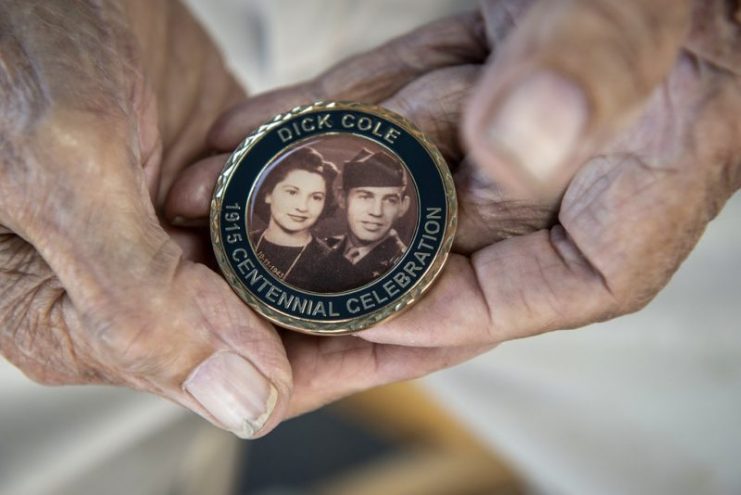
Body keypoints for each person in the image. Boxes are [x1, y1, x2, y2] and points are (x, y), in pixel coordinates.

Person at [1, 0, 739, 448]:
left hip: (588, 104)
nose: (377, 211)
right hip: (98, 76)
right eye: (363, 201)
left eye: (384, 204)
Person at [321, 149, 411, 292]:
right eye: (365, 196)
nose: (376, 212)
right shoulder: (322, 249)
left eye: (390, 200)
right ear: (342, 198)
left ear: (403, 207)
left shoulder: (405, 263)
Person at [250, 146, 338, 291]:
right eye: (292, 192)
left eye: (316, 197)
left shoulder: (333, 265)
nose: (302, 207)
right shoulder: (245, 242)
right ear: (268, 194)